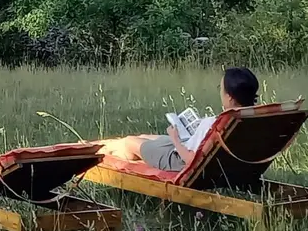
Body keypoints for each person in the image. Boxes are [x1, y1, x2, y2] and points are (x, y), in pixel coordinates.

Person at [96, 66, 259, 173]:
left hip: (178, 160)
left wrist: (175, 138)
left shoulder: (216, 124)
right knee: (145, 137)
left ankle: (98, 152)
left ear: (230, 97)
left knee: (129, 142)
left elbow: (190, 160)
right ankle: (106, 145)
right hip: (220, 162)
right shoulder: (256, 119)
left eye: (221, 89)